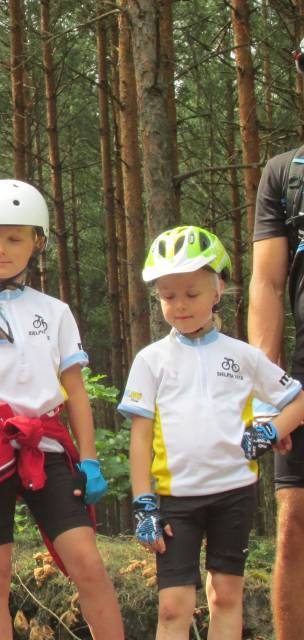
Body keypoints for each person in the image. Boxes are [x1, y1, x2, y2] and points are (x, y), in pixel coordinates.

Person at [0, 179, 123, 640]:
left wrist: (90, 459)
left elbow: (74, 389)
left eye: (14, 238)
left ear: (37, 242)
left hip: (46, 445)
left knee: (88, 563)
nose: (1, 249)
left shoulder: (55, 311)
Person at [122, 226, 304, 639]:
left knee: (225, 596)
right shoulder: (151, 360)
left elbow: (297, 401)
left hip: (233, 494)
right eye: (168, 296)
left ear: (218, 289)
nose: (180, 305)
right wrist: (143, 502)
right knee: (173, 606)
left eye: (192, 293)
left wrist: (271, 431)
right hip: (175, 498)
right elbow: (140, 437)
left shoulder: (243, 356)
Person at [247, 64, 304, 639]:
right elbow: (266, 282)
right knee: (295, 525)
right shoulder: (284, 173)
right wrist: (267, 389)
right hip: (302, 378)